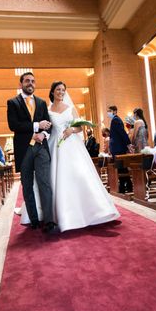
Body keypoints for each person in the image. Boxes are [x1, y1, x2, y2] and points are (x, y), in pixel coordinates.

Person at [21, 81, 119, 232]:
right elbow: (47, 127)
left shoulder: (70, 108)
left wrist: (71, 130)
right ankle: (55, 214)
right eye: (58, 89)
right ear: (52, 92)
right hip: (54, 145)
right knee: (51, 178)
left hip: (71, 144)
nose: (61, 92)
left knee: (79, 174)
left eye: (63, 90)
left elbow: (80, 126)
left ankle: (92, 210)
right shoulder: (47, 109)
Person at [7, 72, 55, 232]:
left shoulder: (41, 103)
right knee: (27, 185)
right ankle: (34, 220)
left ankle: (49, 221)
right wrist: (36, 126)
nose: (30, 83)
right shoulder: (13, 102)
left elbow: (49, 125)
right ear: (21, 84)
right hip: (24, 149)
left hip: (41, 147)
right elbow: (13, 125)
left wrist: (43, 133)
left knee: (44, 183)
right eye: (27, 81)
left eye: (33, 81)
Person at [107, 105, 132, 193]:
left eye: (109, 111)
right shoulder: (115, 120)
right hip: (118, 148)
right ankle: (128, 185)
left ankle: (124, 186)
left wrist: (128, 144)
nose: (108, 112)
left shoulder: (116, 120)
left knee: (121, 167)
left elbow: (122, 132)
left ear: (114, 111)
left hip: (118, 148)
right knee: (122, 168)